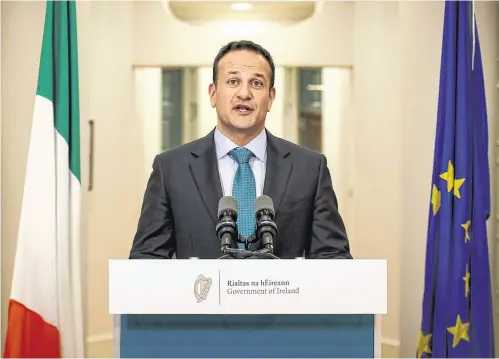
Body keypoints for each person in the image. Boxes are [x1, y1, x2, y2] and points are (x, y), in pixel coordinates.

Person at [129, 40, 352, 259]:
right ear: (213, 94)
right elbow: (147, 259)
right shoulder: (171, 169)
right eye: (233, 81)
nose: (244, 93)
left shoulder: (309, 168)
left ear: (271, 97)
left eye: (256, 83)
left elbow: (333, 257)